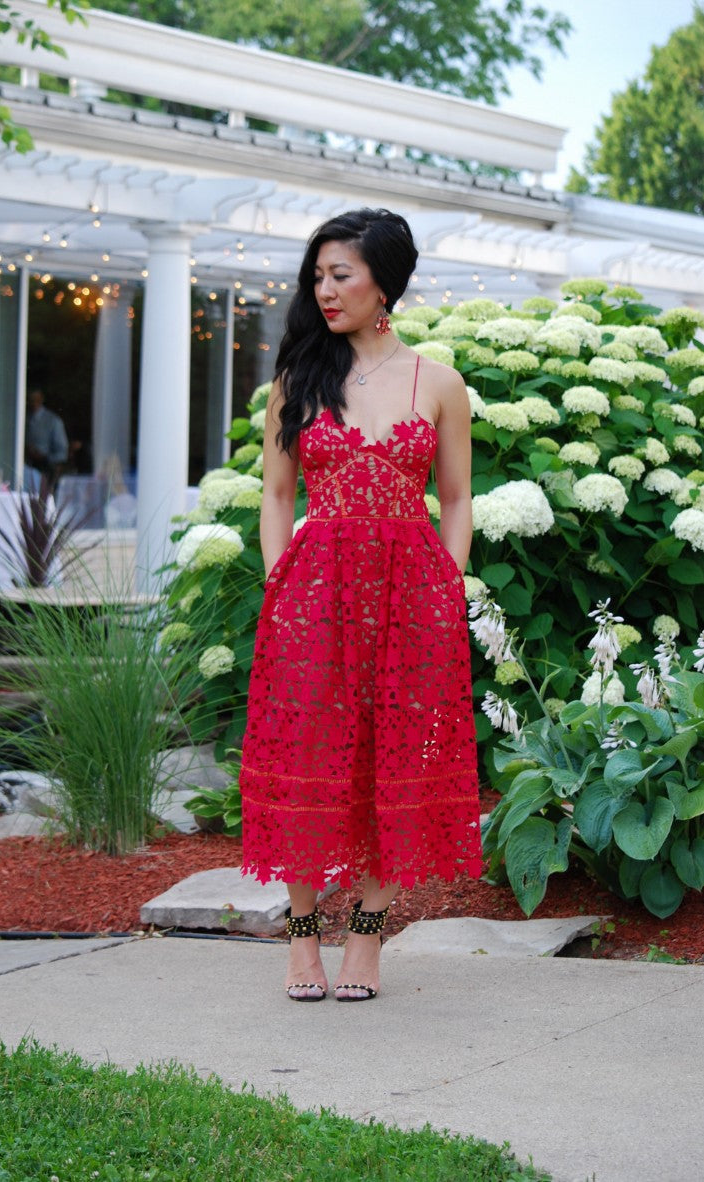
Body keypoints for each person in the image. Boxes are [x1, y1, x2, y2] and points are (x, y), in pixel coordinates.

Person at [239, 208, 482, 1003]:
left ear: (386, 280)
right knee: (309, 764)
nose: (325, 290)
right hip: (313, 601)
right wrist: (281, 586)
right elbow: (276, 496)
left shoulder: (437, 382)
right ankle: (301, 942)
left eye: (339, 274)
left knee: (393, 764)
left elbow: (454, 501)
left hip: (410, 600)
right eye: (317, 276)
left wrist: (445, 590)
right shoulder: (297, 381)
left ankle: (367, 941)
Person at [24, 389, 69, 495]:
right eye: (30, 400)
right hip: (25, 467)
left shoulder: (53, 421)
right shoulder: (22, 418)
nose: (33, 402)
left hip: (44, 469)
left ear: (41, 400)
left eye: (36, 399)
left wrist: (44, 456)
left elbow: (62, 453)